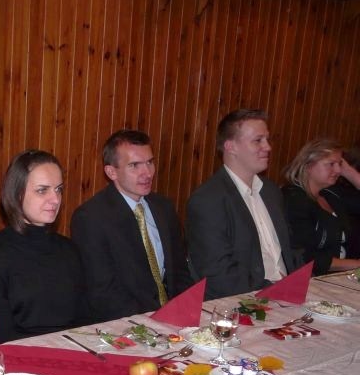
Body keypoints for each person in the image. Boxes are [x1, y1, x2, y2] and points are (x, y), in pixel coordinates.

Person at [0, 150, 92, 344]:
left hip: (73, 351)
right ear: (17, 194)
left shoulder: (69, 250)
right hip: (21, 357)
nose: (55, 199)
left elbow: (86, 320)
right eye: (42, 190)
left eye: (58, 189)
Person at [71, 130, 191, 322]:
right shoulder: (91, 218)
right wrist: (151, 323)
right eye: (134, 165)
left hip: (174, 318)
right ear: (111, 172)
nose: (147, 173)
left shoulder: (164, 207)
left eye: (149, 162)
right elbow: (103, 291)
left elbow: (180, 271)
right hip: (127, 323)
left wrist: (184, 311)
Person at [186, 109, 299, 300]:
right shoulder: (208, 200)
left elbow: (291, 250)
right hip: (243, 302)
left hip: (287, 295)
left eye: (267, 139)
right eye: (258, 140)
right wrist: (274, 290)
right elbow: (218, 274)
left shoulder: (271, 191)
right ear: (231, 147)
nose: (268, 147)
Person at [282, 138, 360, 275]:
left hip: (340, 276)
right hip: (311, 279)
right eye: (331, 164)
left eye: (340, 164)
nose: (338, 170)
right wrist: (356, 264)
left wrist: (349, 172)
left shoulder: (331, 194)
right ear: (308, 165)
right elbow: (306, 258)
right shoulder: (294, 200)